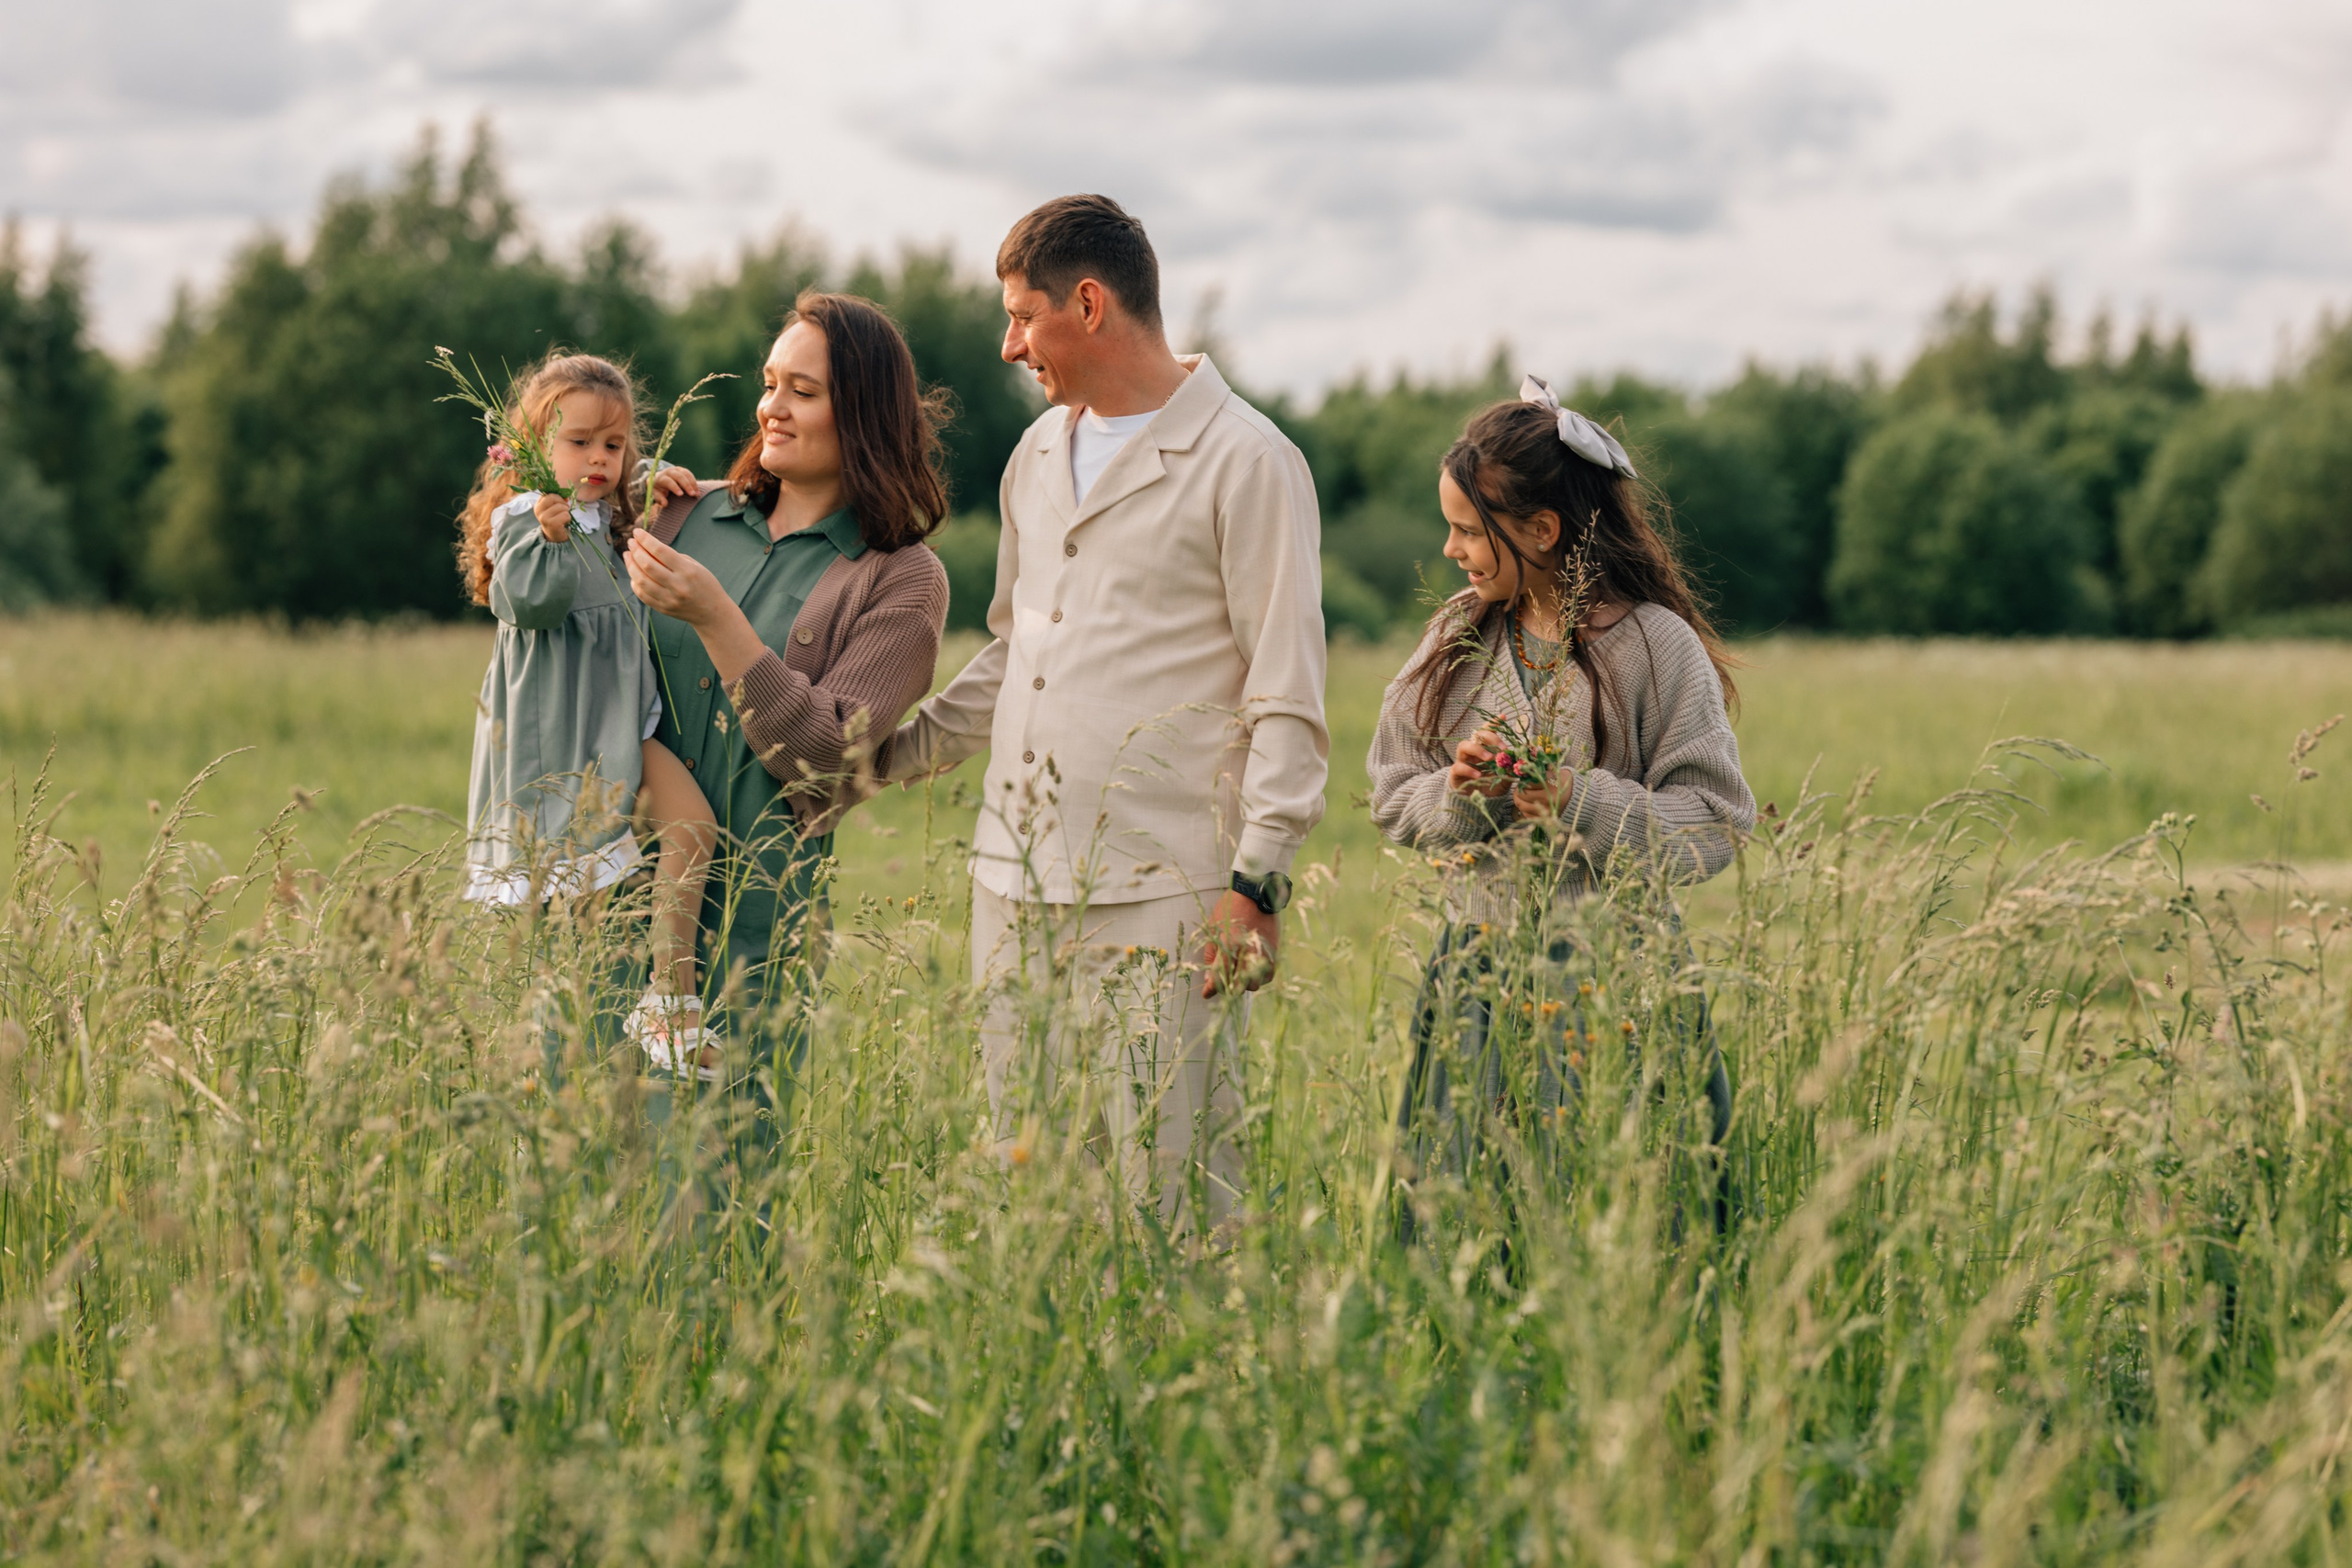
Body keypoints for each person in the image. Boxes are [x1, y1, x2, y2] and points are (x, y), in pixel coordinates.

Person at [885, 195, 1329, 1233]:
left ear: (1088, 303)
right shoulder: (1035, 457)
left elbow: (1287, 693)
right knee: (1024, 1193)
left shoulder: (1248, 460)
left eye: (1022, 316)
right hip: (1011, 885)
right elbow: (1014, 657)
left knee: (1170, 1197)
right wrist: (876, 763)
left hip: (1165, 897)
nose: (1009, 344)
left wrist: (1256, 882)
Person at [1366, 378, 1755, 1223]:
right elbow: (1393, 795)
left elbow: (1719, 820)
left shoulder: (1654, 645)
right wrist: (1463, 794)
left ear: (1542, 530)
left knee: (1628, 1217)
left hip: (1620, 974)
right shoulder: (1456, 640)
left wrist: (1576, 797)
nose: (1450, 549)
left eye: (1470, 530)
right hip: (1480, 966)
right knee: (1470, 1217)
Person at [622, 291, 950, 1095]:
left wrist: (716, 618)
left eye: (803, 391)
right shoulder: (680, 513)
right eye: (771, 384)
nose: (771, 407)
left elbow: (827, 759)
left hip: (749, 937)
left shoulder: (901, 578)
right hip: (608, 896)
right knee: (575, 1190)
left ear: (866, 414)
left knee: (709, 1193)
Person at [456, 353, 720, 1073]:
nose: (599, 457)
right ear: (538, 448)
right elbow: (530, 606)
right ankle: (555, 1069)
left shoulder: (611, 512)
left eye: (614, 443)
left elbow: (626, 486)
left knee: (693, 827)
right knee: (571, 926)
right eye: (579, 443)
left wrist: (655, 477)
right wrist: (548, 532)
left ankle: (669, 1002)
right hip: (560, 748)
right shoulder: (524, 519)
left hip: (625, 731)